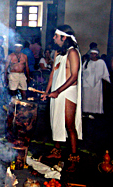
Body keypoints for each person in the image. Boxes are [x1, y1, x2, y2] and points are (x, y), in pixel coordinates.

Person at [41, 25, 82, 172]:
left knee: (69, 125)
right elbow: (53, 73)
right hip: (57, 92)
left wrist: (58, 91)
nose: (53, 38)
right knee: (55, 120)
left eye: (56, 36)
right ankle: (57, 151)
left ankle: (74, 157)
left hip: (67, 92)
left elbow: (74, 76)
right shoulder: (58, 52)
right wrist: (47, 92)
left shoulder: (73, 53)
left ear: (64, 38)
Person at [82, 48, 110, 119]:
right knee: (86, 99)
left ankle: (94, 113)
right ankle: (85, 112)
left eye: (94, 54)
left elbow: (103, 73)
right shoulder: (87, 62)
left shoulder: (101, 62)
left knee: (95, 98)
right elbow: (83, 72)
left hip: (96, 84)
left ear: (97, 55)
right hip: (87, 84)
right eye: (91, 54)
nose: (92, 55)